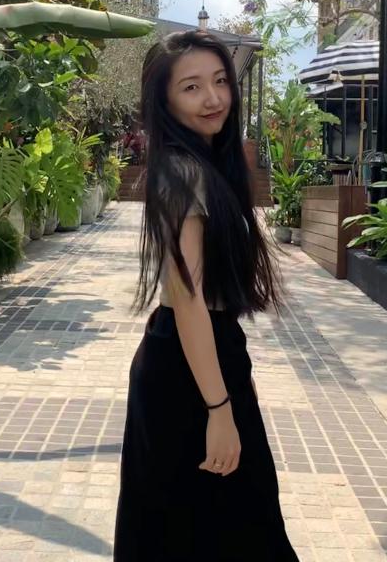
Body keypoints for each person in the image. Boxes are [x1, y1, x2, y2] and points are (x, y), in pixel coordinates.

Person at [114, 31, 298, 561]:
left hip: (199, 356)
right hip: (186, 371)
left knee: (201, 529)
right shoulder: (183, 171)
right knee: (231, 528)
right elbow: (188, 299)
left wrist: (235, 384)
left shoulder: (207, 165)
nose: (213, 98)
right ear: (164, 101)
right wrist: (219, 407)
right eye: (191, 87)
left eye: (220, 81)